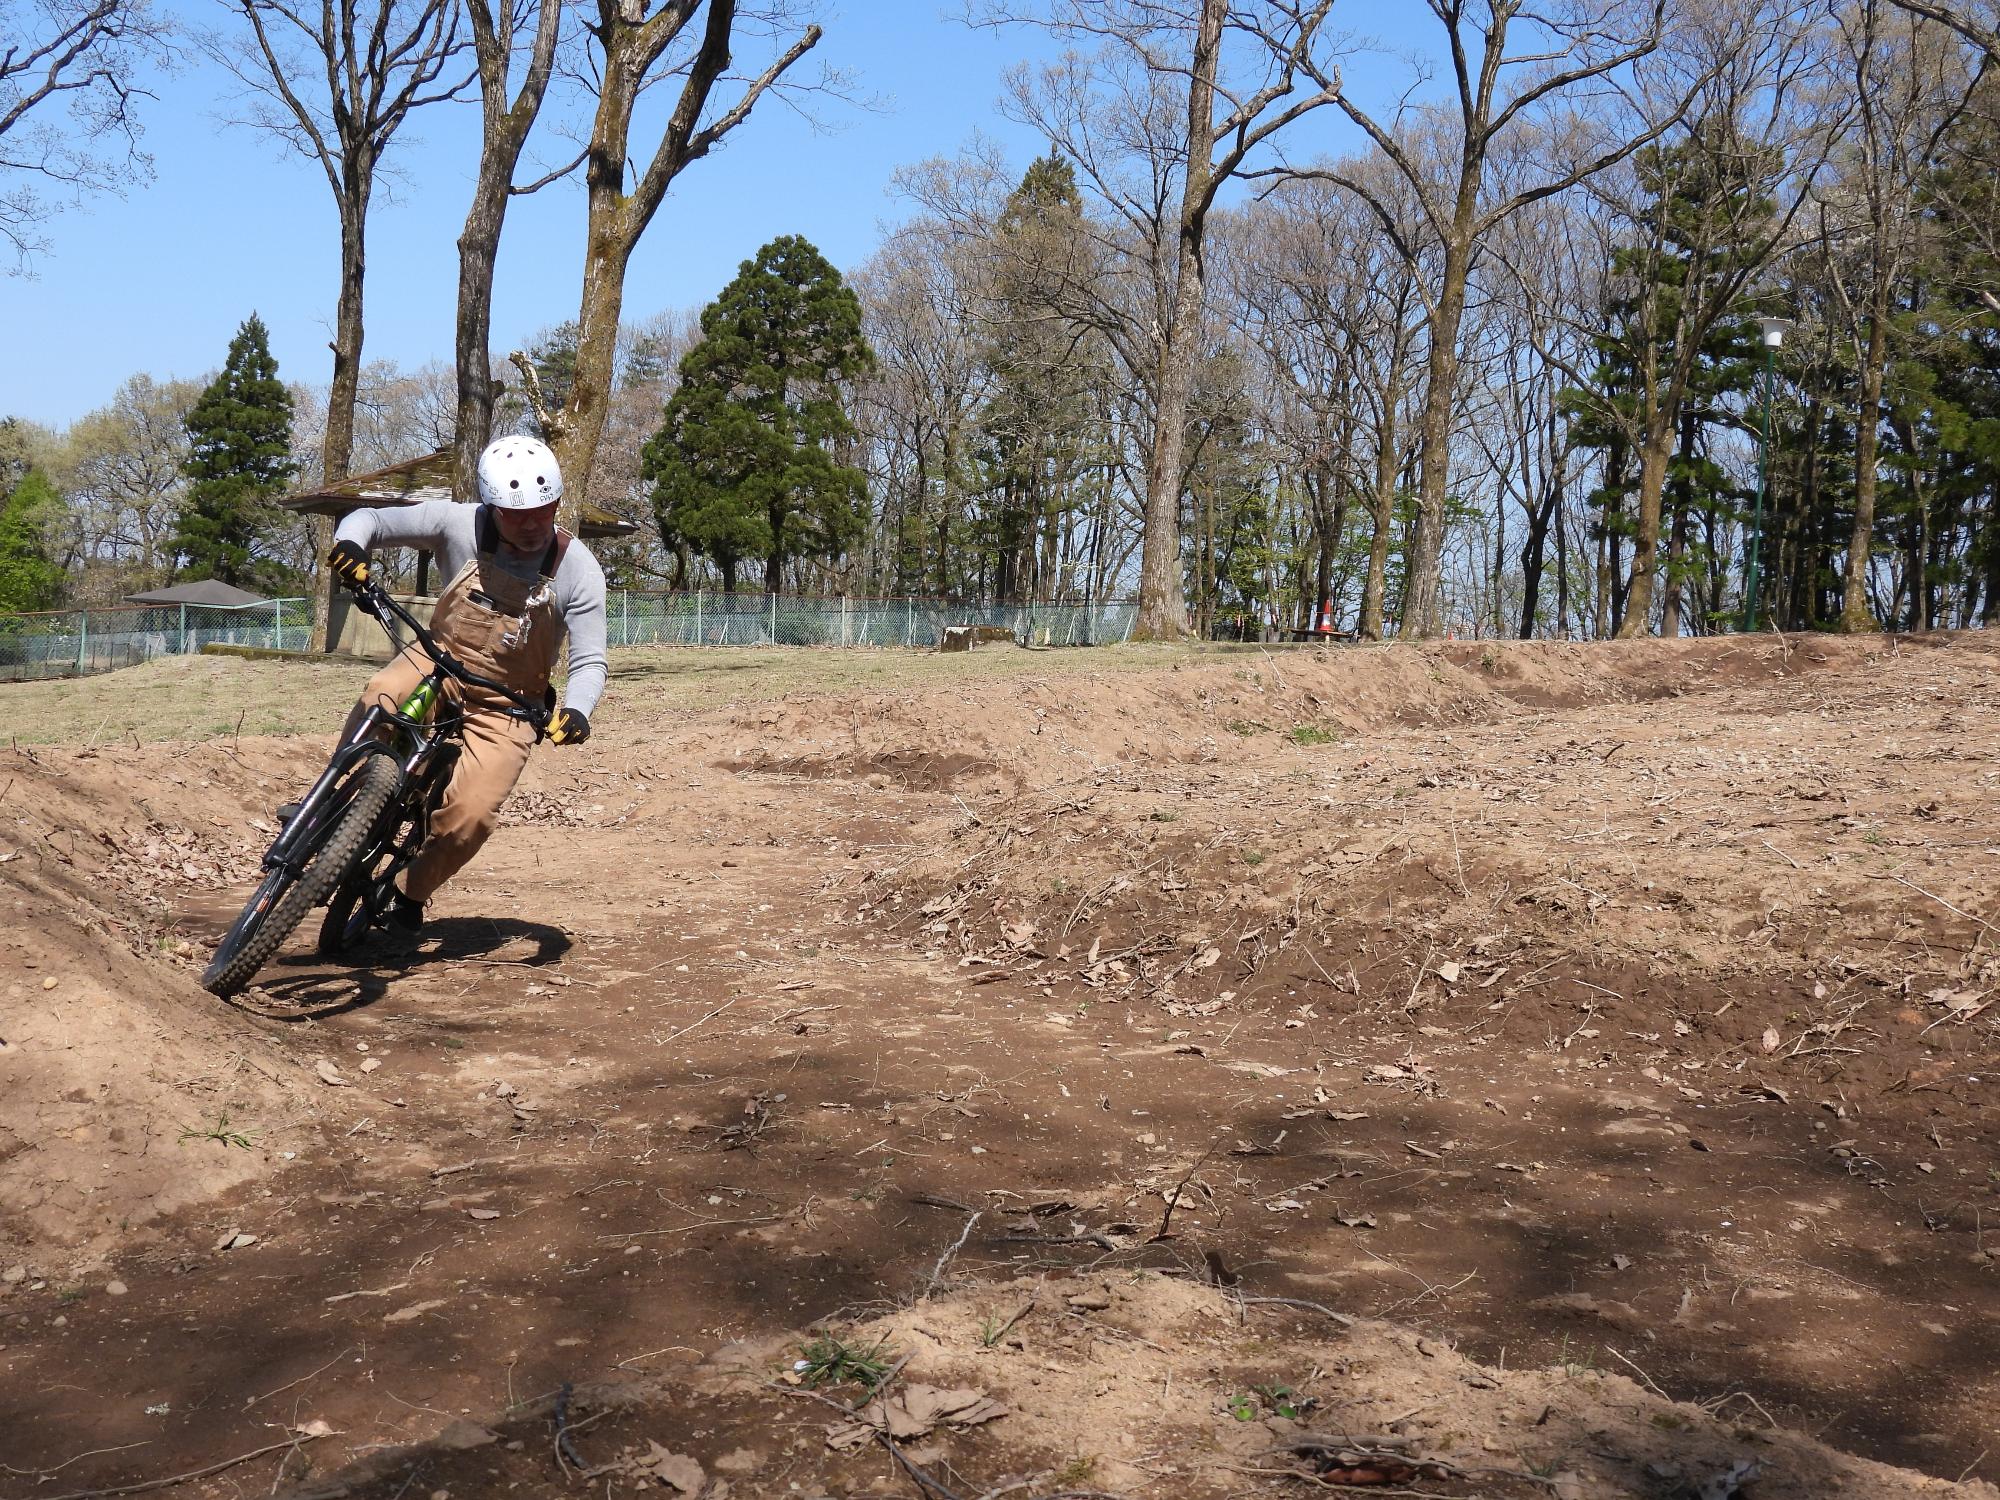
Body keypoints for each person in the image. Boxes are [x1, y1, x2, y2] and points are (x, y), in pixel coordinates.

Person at [323, 434, 606, 933]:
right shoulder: (455, 522)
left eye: (544, 509)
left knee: (471, 817)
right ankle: (329, 807)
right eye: (516, 513)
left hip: (510, 704)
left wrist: (579, 710)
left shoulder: (578, 568)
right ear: (492, 507)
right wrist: (350, 542)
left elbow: (590, 660)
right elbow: (370, 517)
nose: (532, 522)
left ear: (557, 501)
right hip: (440, 663)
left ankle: (409, 891)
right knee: (379, 698)